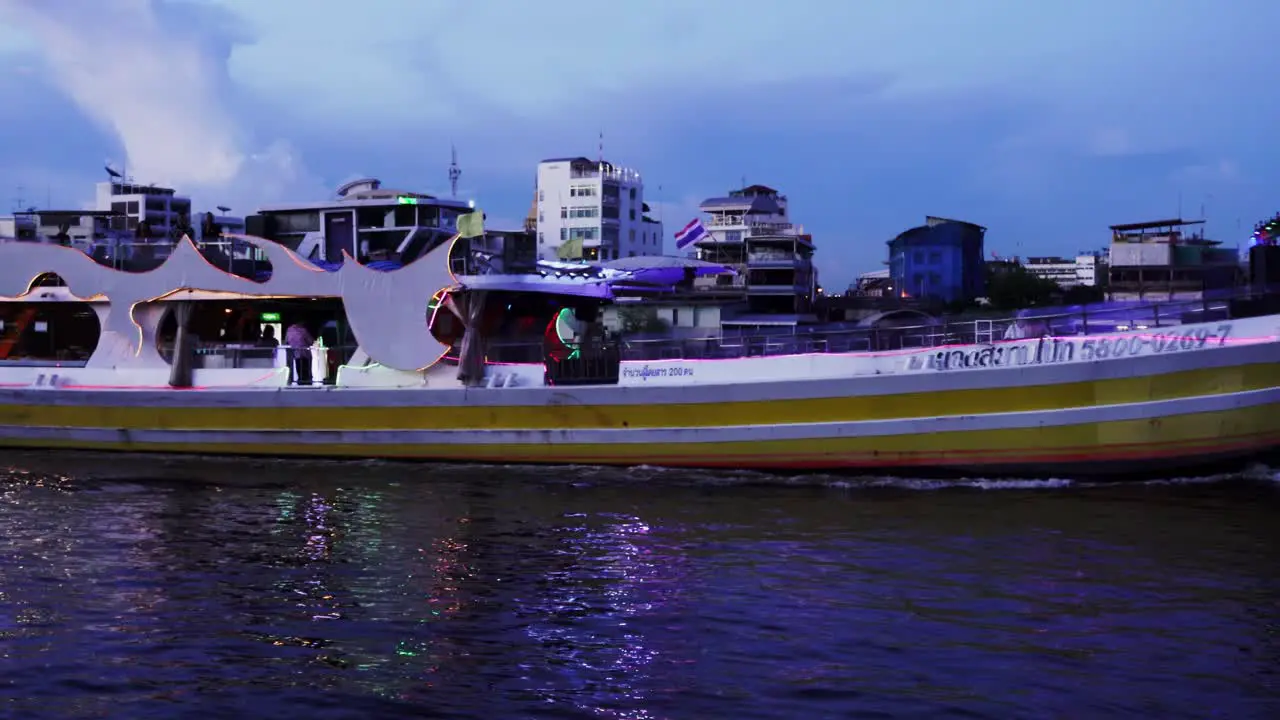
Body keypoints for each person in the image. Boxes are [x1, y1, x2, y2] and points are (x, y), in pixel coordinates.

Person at [285, 320, 313, 386]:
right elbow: (310, 341)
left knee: (299, 369)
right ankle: (307, 383)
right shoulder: (303, 330)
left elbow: (287, 341)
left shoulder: (289, 330)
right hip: (305, 354)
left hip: (295, 353)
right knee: (306, 371)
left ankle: (299, 382)